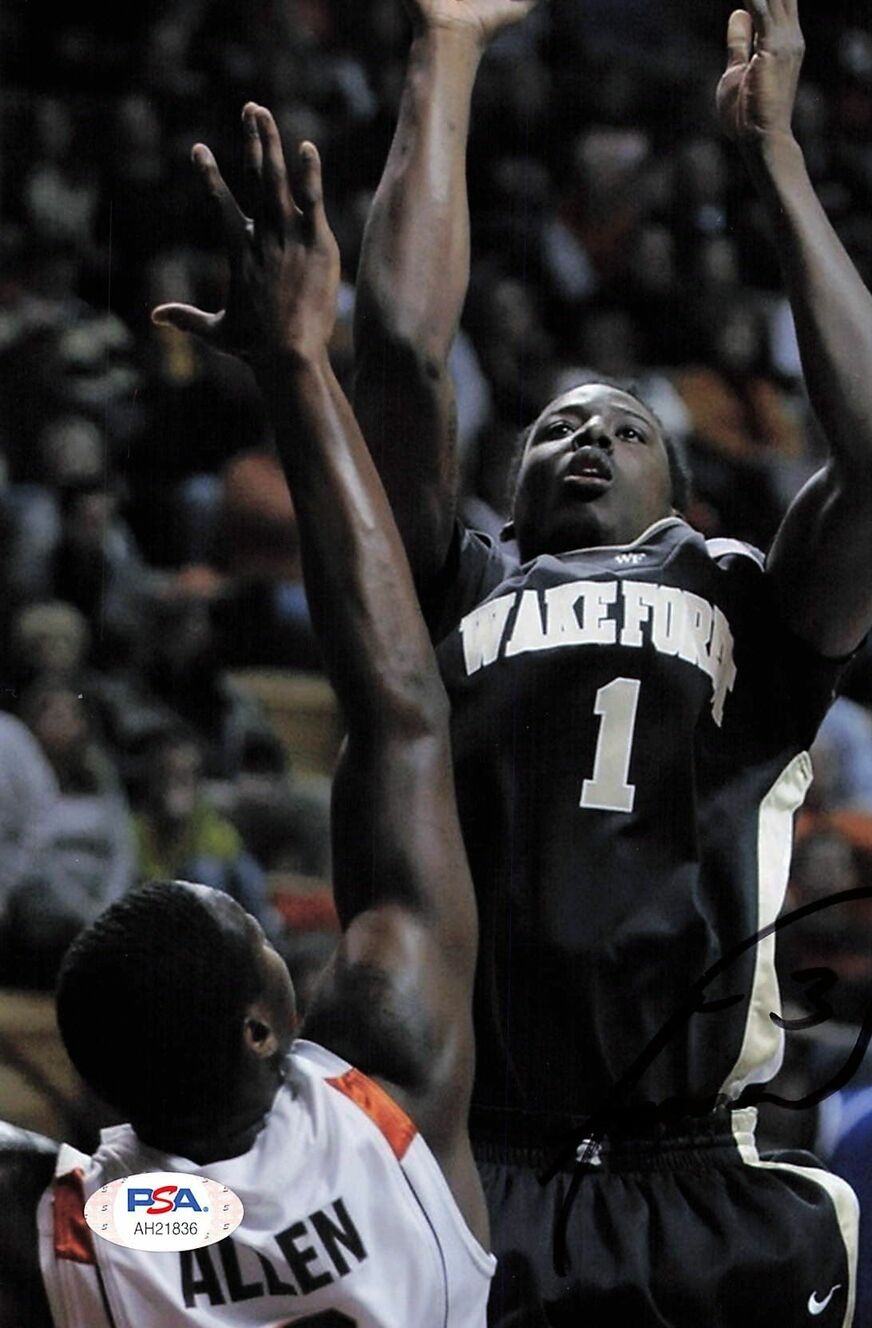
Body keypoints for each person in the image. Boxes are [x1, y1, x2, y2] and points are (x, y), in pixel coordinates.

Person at [353, 0, 872, 1324]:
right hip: (484, 1162)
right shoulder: (456, 582)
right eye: (554, 427)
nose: (586, 437)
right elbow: (404, 356)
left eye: (621, 423)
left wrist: (777, 156)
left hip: (702, 1175)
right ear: (511, 474)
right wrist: (446, 54)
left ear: (681, 484)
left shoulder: (744, 597)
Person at [10, 105, 492, 1326]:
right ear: (268, 1024)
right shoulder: (393, 1080)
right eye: (257, 929)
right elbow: (401, 714)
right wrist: (295, 363)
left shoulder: (65, 1228)